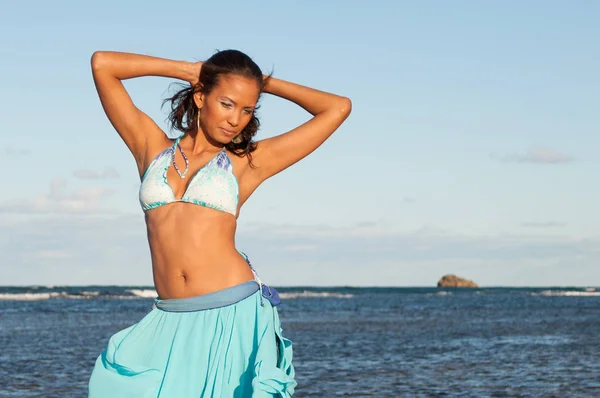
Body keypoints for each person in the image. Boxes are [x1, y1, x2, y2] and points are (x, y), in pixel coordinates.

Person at [86, 49, 351, 397]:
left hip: (233, 315)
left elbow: (338, 107)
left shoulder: (248, 162)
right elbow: (103, 65)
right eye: (227, 103)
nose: (236, 119)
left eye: (247, 109)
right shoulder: (150, 147)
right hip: (169, 317)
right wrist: (191, 70)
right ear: (200, 96)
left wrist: (262, 84)